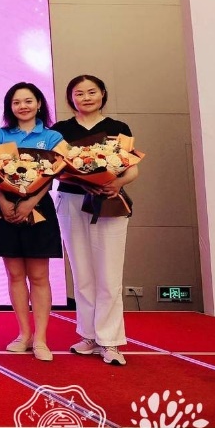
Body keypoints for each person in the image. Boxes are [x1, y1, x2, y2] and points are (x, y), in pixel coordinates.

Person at [52, 74, 140, 367]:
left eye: (92, 92)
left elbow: (132, 168)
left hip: (110, 202)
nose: (86, 98)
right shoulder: (60, 130)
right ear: (71, 98)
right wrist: (80, 180)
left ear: (103, 94)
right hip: (71, 202)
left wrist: (116, 183)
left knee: (110, 273)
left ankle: (110, 340)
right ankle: (88, 335)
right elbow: (54, 169)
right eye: (79, 93)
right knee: (82, 273)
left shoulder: (118, 128)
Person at [0, 82, 65, 362]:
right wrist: (3, 202)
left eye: (28, 101)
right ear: (10, 107)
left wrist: (31, 201)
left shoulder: (52, 136)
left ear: (39, 103)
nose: (23, 106)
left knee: (39, 276)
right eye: (16, 102)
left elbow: (53, 174)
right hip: (4, 209)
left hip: (39, 209)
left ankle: (41, 338)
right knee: (15, 275)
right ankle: (24, 334)